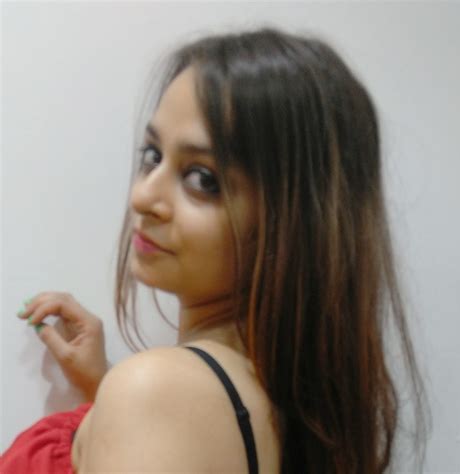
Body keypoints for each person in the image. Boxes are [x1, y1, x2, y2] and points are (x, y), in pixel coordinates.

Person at [1, 26, 430, 473]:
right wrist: (104, 393)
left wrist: (134, 402)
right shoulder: (275, 403)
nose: (143, 197)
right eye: (152, 155)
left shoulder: (159, 394)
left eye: (202, 179)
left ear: (290, 224)